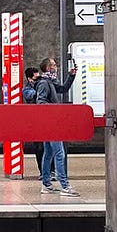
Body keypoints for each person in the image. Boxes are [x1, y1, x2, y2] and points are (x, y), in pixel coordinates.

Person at [33, 57, 79, 197]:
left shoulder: (50, 82)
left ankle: (46, 184)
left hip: (49, 123)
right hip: (51, 123)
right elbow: (40, 102)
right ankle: (65, 186)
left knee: (48, 154)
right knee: (59, 154)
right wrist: (56, 109)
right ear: (48, 68)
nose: (56, 67)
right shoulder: (44, 83)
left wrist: (71, 76)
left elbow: (63, 89)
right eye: (53, 65)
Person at [21, 66, 42, 175]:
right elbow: (32, 96)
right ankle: (42, 171)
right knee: (39, 148)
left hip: (44, 120)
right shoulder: (27, 90)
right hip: (35, 122)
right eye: (36, 78)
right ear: (29, 79)